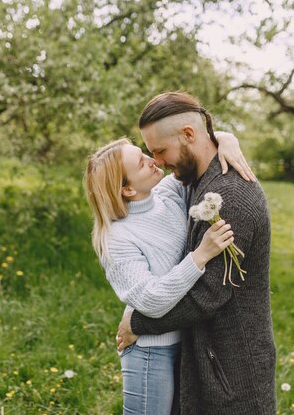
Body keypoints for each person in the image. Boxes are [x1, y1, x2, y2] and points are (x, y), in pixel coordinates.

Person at [116, 92, 276, 415]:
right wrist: (223, 136)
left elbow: (207, 296)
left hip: (235, 375)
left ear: (189, 135)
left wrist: (138, 322)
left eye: (160, 151)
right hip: (210, 362)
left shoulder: (230, 196)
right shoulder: (197, 179)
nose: (157, 162)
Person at [84, 133, 255, 415]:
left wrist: (226, 139)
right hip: (151, 352)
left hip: (189, 341)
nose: (154, 161)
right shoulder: (117, 237)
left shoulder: (167, 194)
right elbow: (150, 299)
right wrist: (200, 255)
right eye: (141, 163)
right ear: (127, 190)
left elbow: (199, 149)